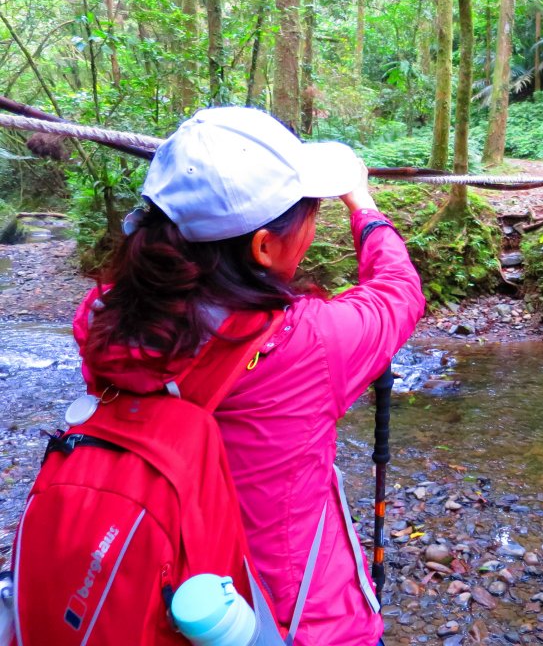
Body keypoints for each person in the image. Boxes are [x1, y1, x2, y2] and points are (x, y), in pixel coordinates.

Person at [73, 107, 425, 645]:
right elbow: (399, 293)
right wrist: (363, 206)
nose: (311, 225)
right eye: (309, 213)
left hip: (150, 596)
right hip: (292, 620)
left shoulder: (101, 317)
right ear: (263, 246)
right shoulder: (309, 343)